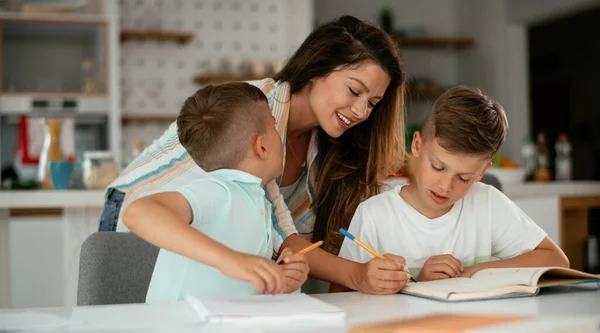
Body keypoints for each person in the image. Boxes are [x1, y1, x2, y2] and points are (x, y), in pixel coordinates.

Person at [102, 15, 411, 294]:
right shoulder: (255, 111)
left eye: (373, 103)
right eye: (355, 91)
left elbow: (282, 231)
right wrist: (233, 261)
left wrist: (355, 274)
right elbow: (142, 213)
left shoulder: (326, 144)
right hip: (141, 219)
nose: (361, 111)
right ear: (318, 69)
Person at [339, 86, 569, 281]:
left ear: (481, 173)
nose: (445, 186)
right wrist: (419, 282)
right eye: (438, 167)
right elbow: (342, 295)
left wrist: (477, 271)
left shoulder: (486, 203)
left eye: (464, 178)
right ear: (417, 146)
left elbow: (556, 259)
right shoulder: (374, 215)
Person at [123, 83, 309, 303]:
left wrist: (282, 277)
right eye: (274, 127)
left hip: (221, 330)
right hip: (177, 331)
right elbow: (137, 213)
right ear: (262, 147)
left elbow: (243, 284)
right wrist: (229, 260)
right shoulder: (218, 191)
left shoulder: (259, 203)